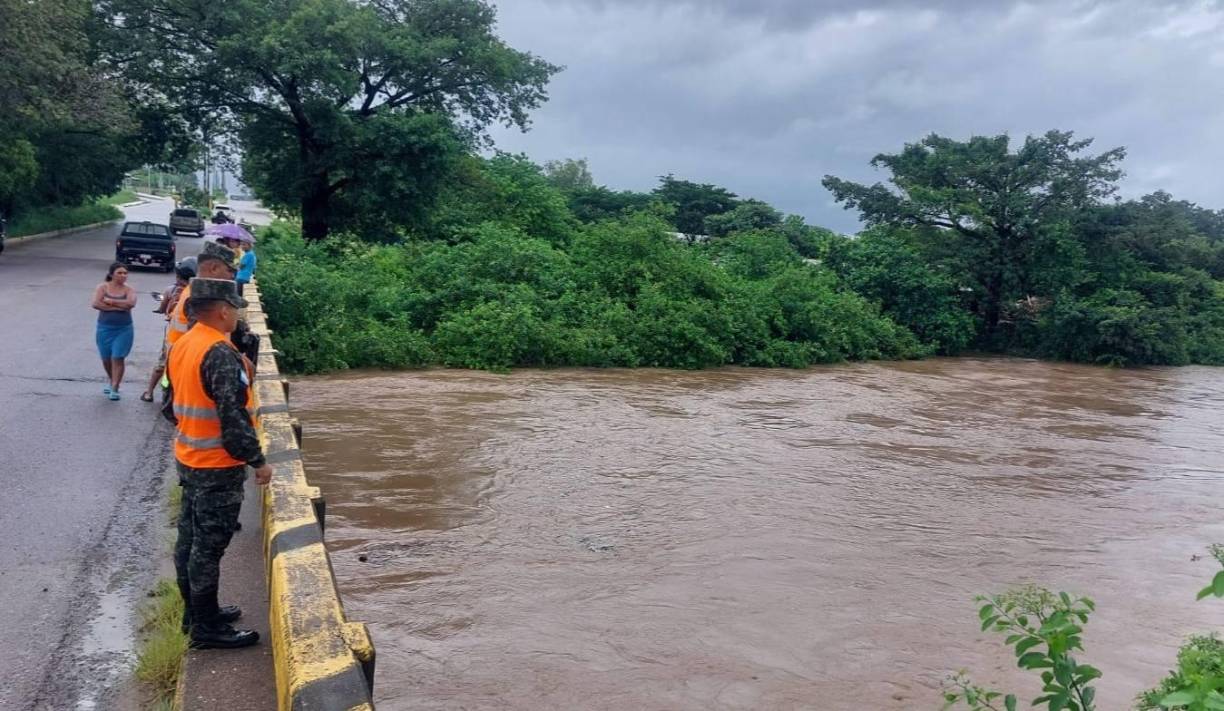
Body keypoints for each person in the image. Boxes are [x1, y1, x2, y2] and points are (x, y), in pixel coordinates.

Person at [165, 277, 272, 649]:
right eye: (234, 311)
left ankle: (196, 614)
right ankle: (207, 629)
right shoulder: (219, 353)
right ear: (223, 310)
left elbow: (170, 407)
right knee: (207, 549)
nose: (237, 318)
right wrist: (257, 460)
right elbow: (234, 419)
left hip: (188, 458)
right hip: (215, 466)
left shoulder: (182, 345)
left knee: (189, 541)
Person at [140, 258, 196, 402]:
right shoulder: (196, 294)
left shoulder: (173, 290)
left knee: (161, 365)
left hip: (174, 341)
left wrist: (164, 310)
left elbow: (162, 309)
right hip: (188, 342)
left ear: (178, 276)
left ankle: (149, 392)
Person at [167, 241, 239, 348]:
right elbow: (208, 343)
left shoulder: (193, 290)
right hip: (188, 359)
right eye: (229, 270)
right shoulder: (199, 297)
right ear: (214, 268)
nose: (232, 276)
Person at [92, 262, 137, 400]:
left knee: (118, 357)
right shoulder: (102, 287)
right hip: (104, 328)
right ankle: (112, 381)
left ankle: (115, 387)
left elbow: (131, 303)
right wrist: (120, 307)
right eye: (120, 273)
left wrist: (110, 302)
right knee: (106, 359)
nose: (123, 275)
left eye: (125, 273)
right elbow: (96, 304)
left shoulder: (128, 289)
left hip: (124, 329)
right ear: (112, 274)